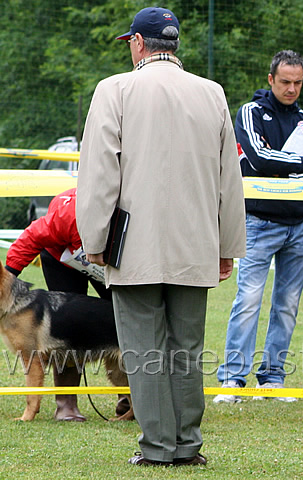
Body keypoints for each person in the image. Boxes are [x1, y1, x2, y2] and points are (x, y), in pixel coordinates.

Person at [76, 7, 246, 466]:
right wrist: (228, 246)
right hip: (196, 246)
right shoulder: (211, 93)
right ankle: (188, 446)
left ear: (137, 43)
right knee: (186, 349)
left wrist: (93, 239)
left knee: (144, 350)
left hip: (133, 247)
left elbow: (98, 175)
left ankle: (157, 448)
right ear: (172, 44)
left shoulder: (114, 90)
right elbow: (229, 178)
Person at [213, 50, 303, 404]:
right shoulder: (250, 112)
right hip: (258, 222)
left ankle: (273, 378)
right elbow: (257, 158)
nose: (291, 89)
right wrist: (300, 162)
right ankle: (232, 379)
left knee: (288, 305)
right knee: (248, 300)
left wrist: (280, 168)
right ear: (270, 80)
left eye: (297, 82)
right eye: (285, 82)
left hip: (301, 224)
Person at [5, 187, 116, 422]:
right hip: (61, 259)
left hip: (108, 264)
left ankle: (131, 400)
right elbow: (26, 242)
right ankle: (66, 406)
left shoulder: (124, 217)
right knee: (67, 326)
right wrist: (7, 286)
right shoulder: (65, 217)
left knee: (122, 316)